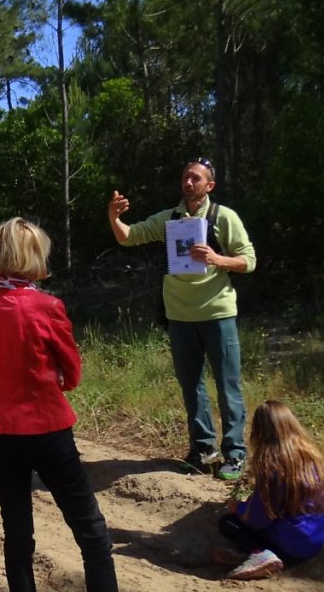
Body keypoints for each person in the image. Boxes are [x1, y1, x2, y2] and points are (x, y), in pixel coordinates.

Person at [0, 217, 171, 592]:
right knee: (93, 538)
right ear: (33, 257)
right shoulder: (46, 306)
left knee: (18, 539)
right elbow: (73, 374)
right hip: (47, 430)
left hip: (3, 436)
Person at [107, 158, 256, 480]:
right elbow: (128, 236)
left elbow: (249, 260)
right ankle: (203, 449)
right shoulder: (169, 219)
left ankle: (234, 453)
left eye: (196, 178)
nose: (188, 183)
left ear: (209, 185)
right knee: (192, 387)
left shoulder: (223, 217)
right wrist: (114, 217)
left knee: (228, 386)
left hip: (218, 313)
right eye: (185, 177)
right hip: (179, 316)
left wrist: (218, 259)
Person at [213, 400, 324, 581]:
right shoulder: (315, 460)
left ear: (259, 431)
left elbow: (258, 518)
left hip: (289, 547)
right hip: (316, 543)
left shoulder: (272, 466)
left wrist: (238, 508)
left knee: (228, 523)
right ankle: (249, 555)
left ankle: (260, 554)